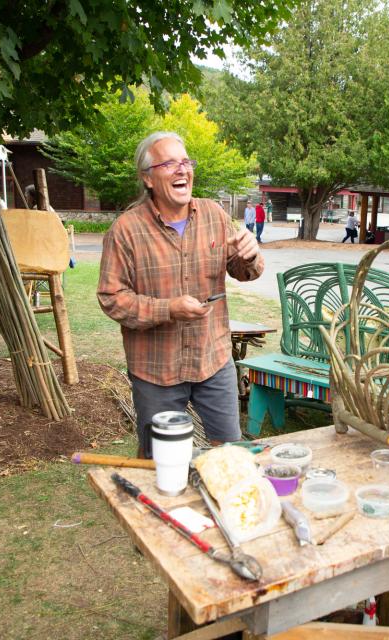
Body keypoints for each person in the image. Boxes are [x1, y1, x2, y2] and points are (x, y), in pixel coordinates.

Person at [98, 132, 264, 459]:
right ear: (147, 178)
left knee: (230, 455)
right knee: (161, 462)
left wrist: (250, 255)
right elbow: (111, 297)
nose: (182, 170)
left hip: (213, 360)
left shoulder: (215, 215)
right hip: (155, 370)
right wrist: (168, 309)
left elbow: (245, 270)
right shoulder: (126, 230)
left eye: (186, 162)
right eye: (169, 163)